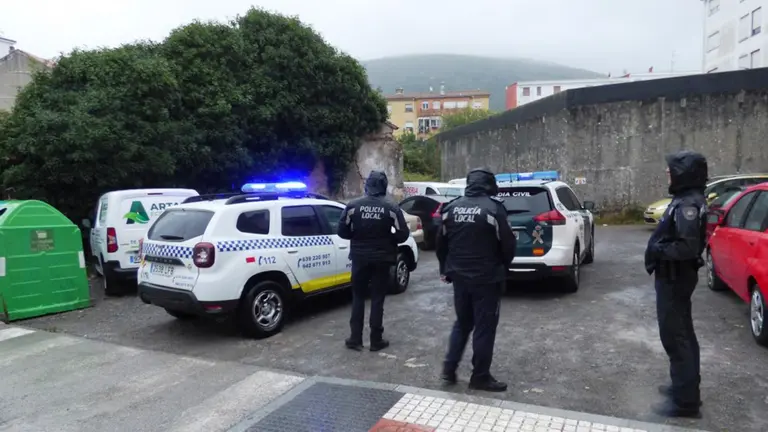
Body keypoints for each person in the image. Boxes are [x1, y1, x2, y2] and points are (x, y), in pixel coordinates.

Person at [436, 168, 517, 392]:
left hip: (460, 277)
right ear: (489, 184)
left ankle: (449, 370)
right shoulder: (494, 209)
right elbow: (508, 245)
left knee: (462, 323)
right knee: (484, 327)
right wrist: (503, 267)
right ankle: (480, 376)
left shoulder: (450, 208)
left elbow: (440, 242)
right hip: (487, 279)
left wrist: (445, 268)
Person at [644, 150, 707, 418]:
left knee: (676, 336)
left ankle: (685, 402)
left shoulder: (687, 205)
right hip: (674, 277)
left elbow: (687, 247)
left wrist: (657, 250)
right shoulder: (684, 199)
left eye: (672, 169)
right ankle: (684, 387)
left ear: (684, 172)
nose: (668, 173)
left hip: (674, 277)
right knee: (682, 333)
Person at [338, 170, 410, 352]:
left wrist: (357, 236)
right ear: (384, 186)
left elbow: (342, 231)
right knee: (377, 299)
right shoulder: (391, 207)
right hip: (382, 259)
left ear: (367, 185)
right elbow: (403, 234)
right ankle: (376, 339)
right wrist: (389, 238)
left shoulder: (353, 205)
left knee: (358, 298)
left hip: (359, 258)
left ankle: (355, 338)